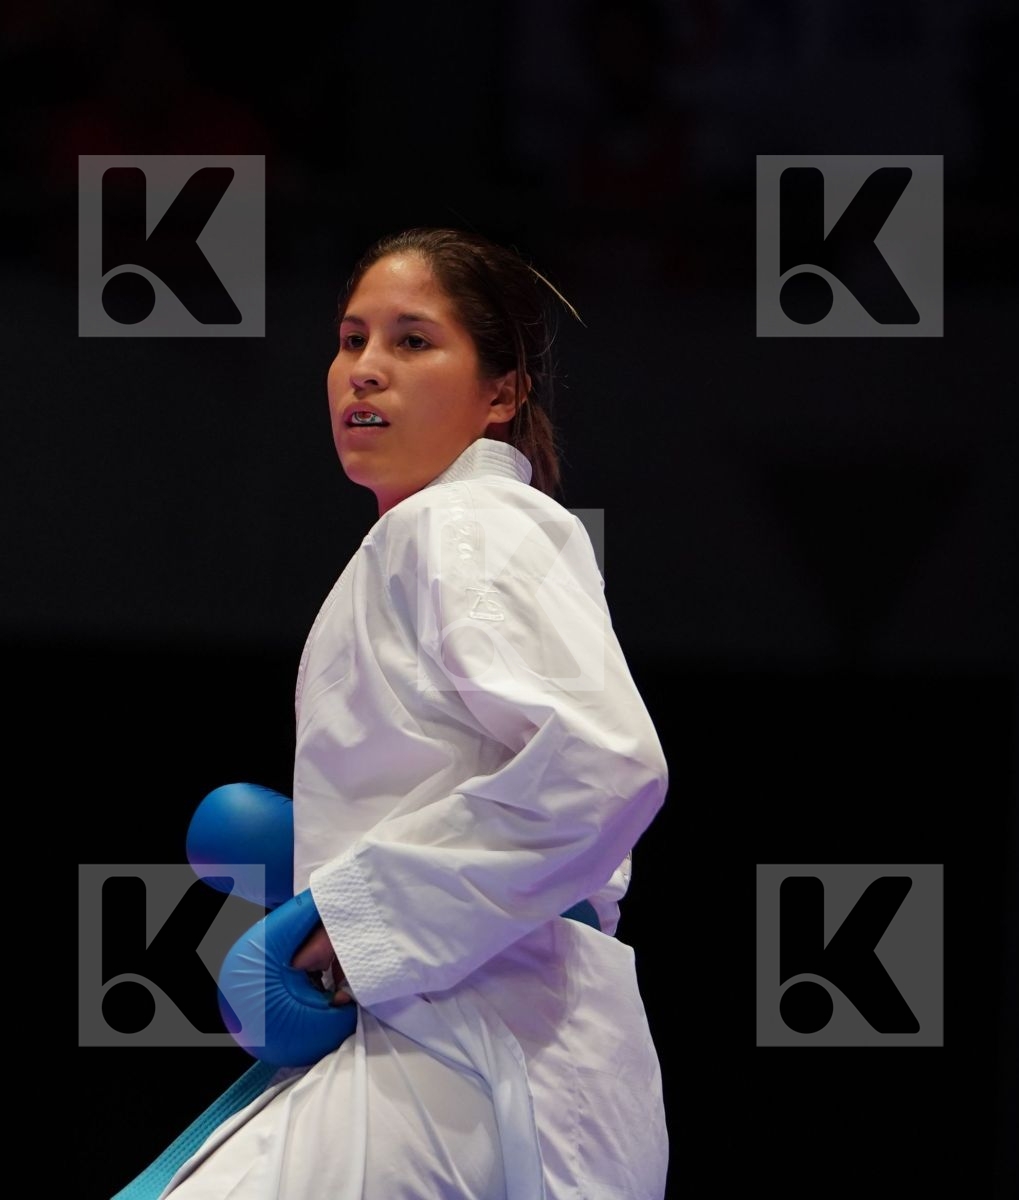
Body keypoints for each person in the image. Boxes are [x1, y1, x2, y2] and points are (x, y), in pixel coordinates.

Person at [159, 228, 670, 1199]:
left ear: (501, 394)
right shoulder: (433, 535)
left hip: (477, 1048)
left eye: (412, 341)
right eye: (351, 340)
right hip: (472, 1042)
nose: (366, 371)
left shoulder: (462, 524)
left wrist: (357, 922)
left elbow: (604, 765)